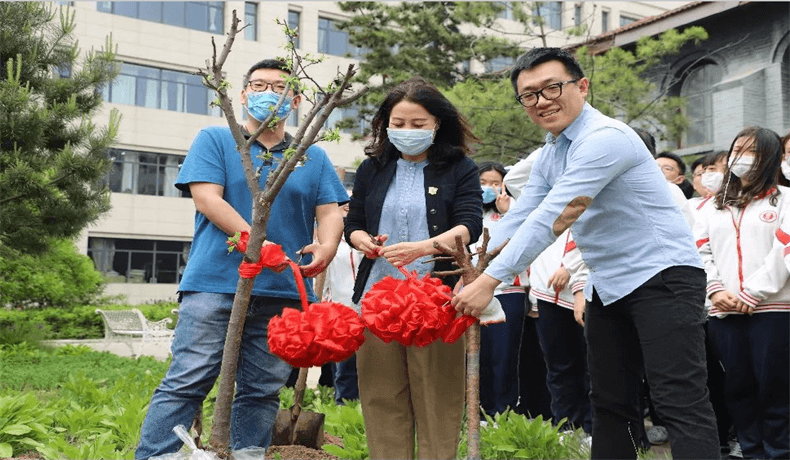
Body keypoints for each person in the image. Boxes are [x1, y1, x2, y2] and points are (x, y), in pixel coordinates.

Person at [452, 47, 720, 460]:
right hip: (607, 283)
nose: (542, 101)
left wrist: (491, 281)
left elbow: (558, 216)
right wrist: (470, 260)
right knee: (610, 402)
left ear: (582, 85)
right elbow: (522, 215)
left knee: (678, 399)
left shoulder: (605, 138)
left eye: (552, 87)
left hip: (663, 277)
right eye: (529, 95)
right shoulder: (553, 150)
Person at [135, 59, 348, 459]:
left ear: (297, 100)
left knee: (263, 386)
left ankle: (248, 453)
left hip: (282, 288)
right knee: (189, 378)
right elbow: (206, 197)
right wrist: (254, 242)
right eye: (259, 84)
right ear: (244, 94)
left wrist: (327, 245)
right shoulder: (216, 139)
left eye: (280, 87)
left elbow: (330, 210)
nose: (270, 93)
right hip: (215, 282)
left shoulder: (311, 156)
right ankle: (157, 455)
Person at [344, 76, 482, 460]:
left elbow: (470, 224)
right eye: (398, 124)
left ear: (437, 124)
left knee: (437, 395)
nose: (407, 131)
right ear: (386, 125)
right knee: (380, 394)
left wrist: (424, 247)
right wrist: (361, 240)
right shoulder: (372, 168)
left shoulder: (460, 168)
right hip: (378, 300)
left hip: (437, 300)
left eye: (418, 125)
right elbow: (353, 222)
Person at [695, 127, 790, 459]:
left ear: (769, 156)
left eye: (752, 149)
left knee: (776, 390)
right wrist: (715, 289)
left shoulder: (786, 199)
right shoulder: (713, 206)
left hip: (773, 311)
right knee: (738, 389)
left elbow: (784, 250)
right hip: (723, 311)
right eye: (738, 148)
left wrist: (752, 293)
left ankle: (779, 452)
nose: (742, 156)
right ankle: (751, 450)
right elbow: (699, 251)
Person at [474, 161, 527, 418]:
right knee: (478, 355)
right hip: (473, 291)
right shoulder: (470, 212)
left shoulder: (515, 210)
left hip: (508, 291)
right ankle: (480, 412)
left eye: (495, 183)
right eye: (484, 182)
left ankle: (504, 413)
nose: (489, 188)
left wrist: (507, 213)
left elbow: (525, 241)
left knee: (504, 356)